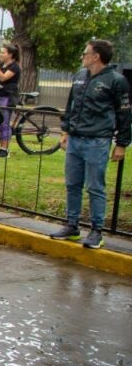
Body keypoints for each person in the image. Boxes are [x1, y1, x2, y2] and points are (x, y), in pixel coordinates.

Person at [50, 40, 131, 249]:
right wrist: (66, 130)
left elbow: (124, 113)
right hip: (76, 138)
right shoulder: (79, 76)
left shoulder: (116, 81)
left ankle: (97, 230)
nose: (82, 56)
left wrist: (121, 143)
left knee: (95, 187)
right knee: (72, 183)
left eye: (85, 53)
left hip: (97, 140)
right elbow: (71, 105)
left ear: (96, 56)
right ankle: (72, 225)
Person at [0, 44, 21, 157]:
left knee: (4, 122)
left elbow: (3, 78)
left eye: (3, 52)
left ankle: (4, 150)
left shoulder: (14, 67)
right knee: (0, 122)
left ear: (10, 54)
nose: (0, 54)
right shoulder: (1, 65)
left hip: (8, 96)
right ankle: (1, 147)